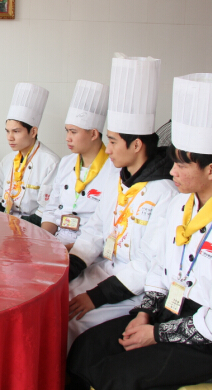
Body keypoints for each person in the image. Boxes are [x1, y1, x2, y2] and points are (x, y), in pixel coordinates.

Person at [67, 72, 212, 390]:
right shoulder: (183, 205)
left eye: (182, 165)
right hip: (167, 310)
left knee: (115, 375)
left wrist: (156, 333)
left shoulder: (166, 194)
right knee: (86, 350)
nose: (172, 171)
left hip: (201, 335)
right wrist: (147, 314)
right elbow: (159, 269)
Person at [66, 54, 178, 348]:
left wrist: (95, 297)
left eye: (113, 141)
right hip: (101, 270)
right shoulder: (118, 177)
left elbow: (148, 264)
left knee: (72, 326)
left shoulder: (165, 193)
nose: (108, 149)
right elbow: (96, 228)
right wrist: (72, 267)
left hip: (131, 292)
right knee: (53, 303)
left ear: (137, 145)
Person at [42, 80, 118, 248]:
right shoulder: (66, 163)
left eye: (73, 132)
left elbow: (104, 228)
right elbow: (51, 209)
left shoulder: (114, 170)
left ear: (93, 134)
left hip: (89, 249)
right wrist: (43, 242)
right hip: (57, 241)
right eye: (67, 131)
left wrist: (65, 250)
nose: (67, 138)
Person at [0, 83, 60, 226]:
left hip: (34, 227)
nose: (10, 137)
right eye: (7, 131)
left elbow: (46, 211)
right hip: (6, 223)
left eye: (16, 131)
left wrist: (15, 225)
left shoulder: (50, 163)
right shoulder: (7, 161)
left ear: (33, 132)